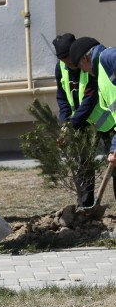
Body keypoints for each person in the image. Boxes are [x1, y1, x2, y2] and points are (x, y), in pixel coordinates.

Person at [53, 34, 116, 206]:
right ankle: (86, 205)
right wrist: (65, 124)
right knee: (85, 164)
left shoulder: (94, 64)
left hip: (106, 122)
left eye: (71, 61)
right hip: (82, 125)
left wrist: (73, 124)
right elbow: (62, 98)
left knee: (114, 163)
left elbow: (90, 98)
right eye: (66, 62)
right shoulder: (62, 68)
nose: (70, 65)